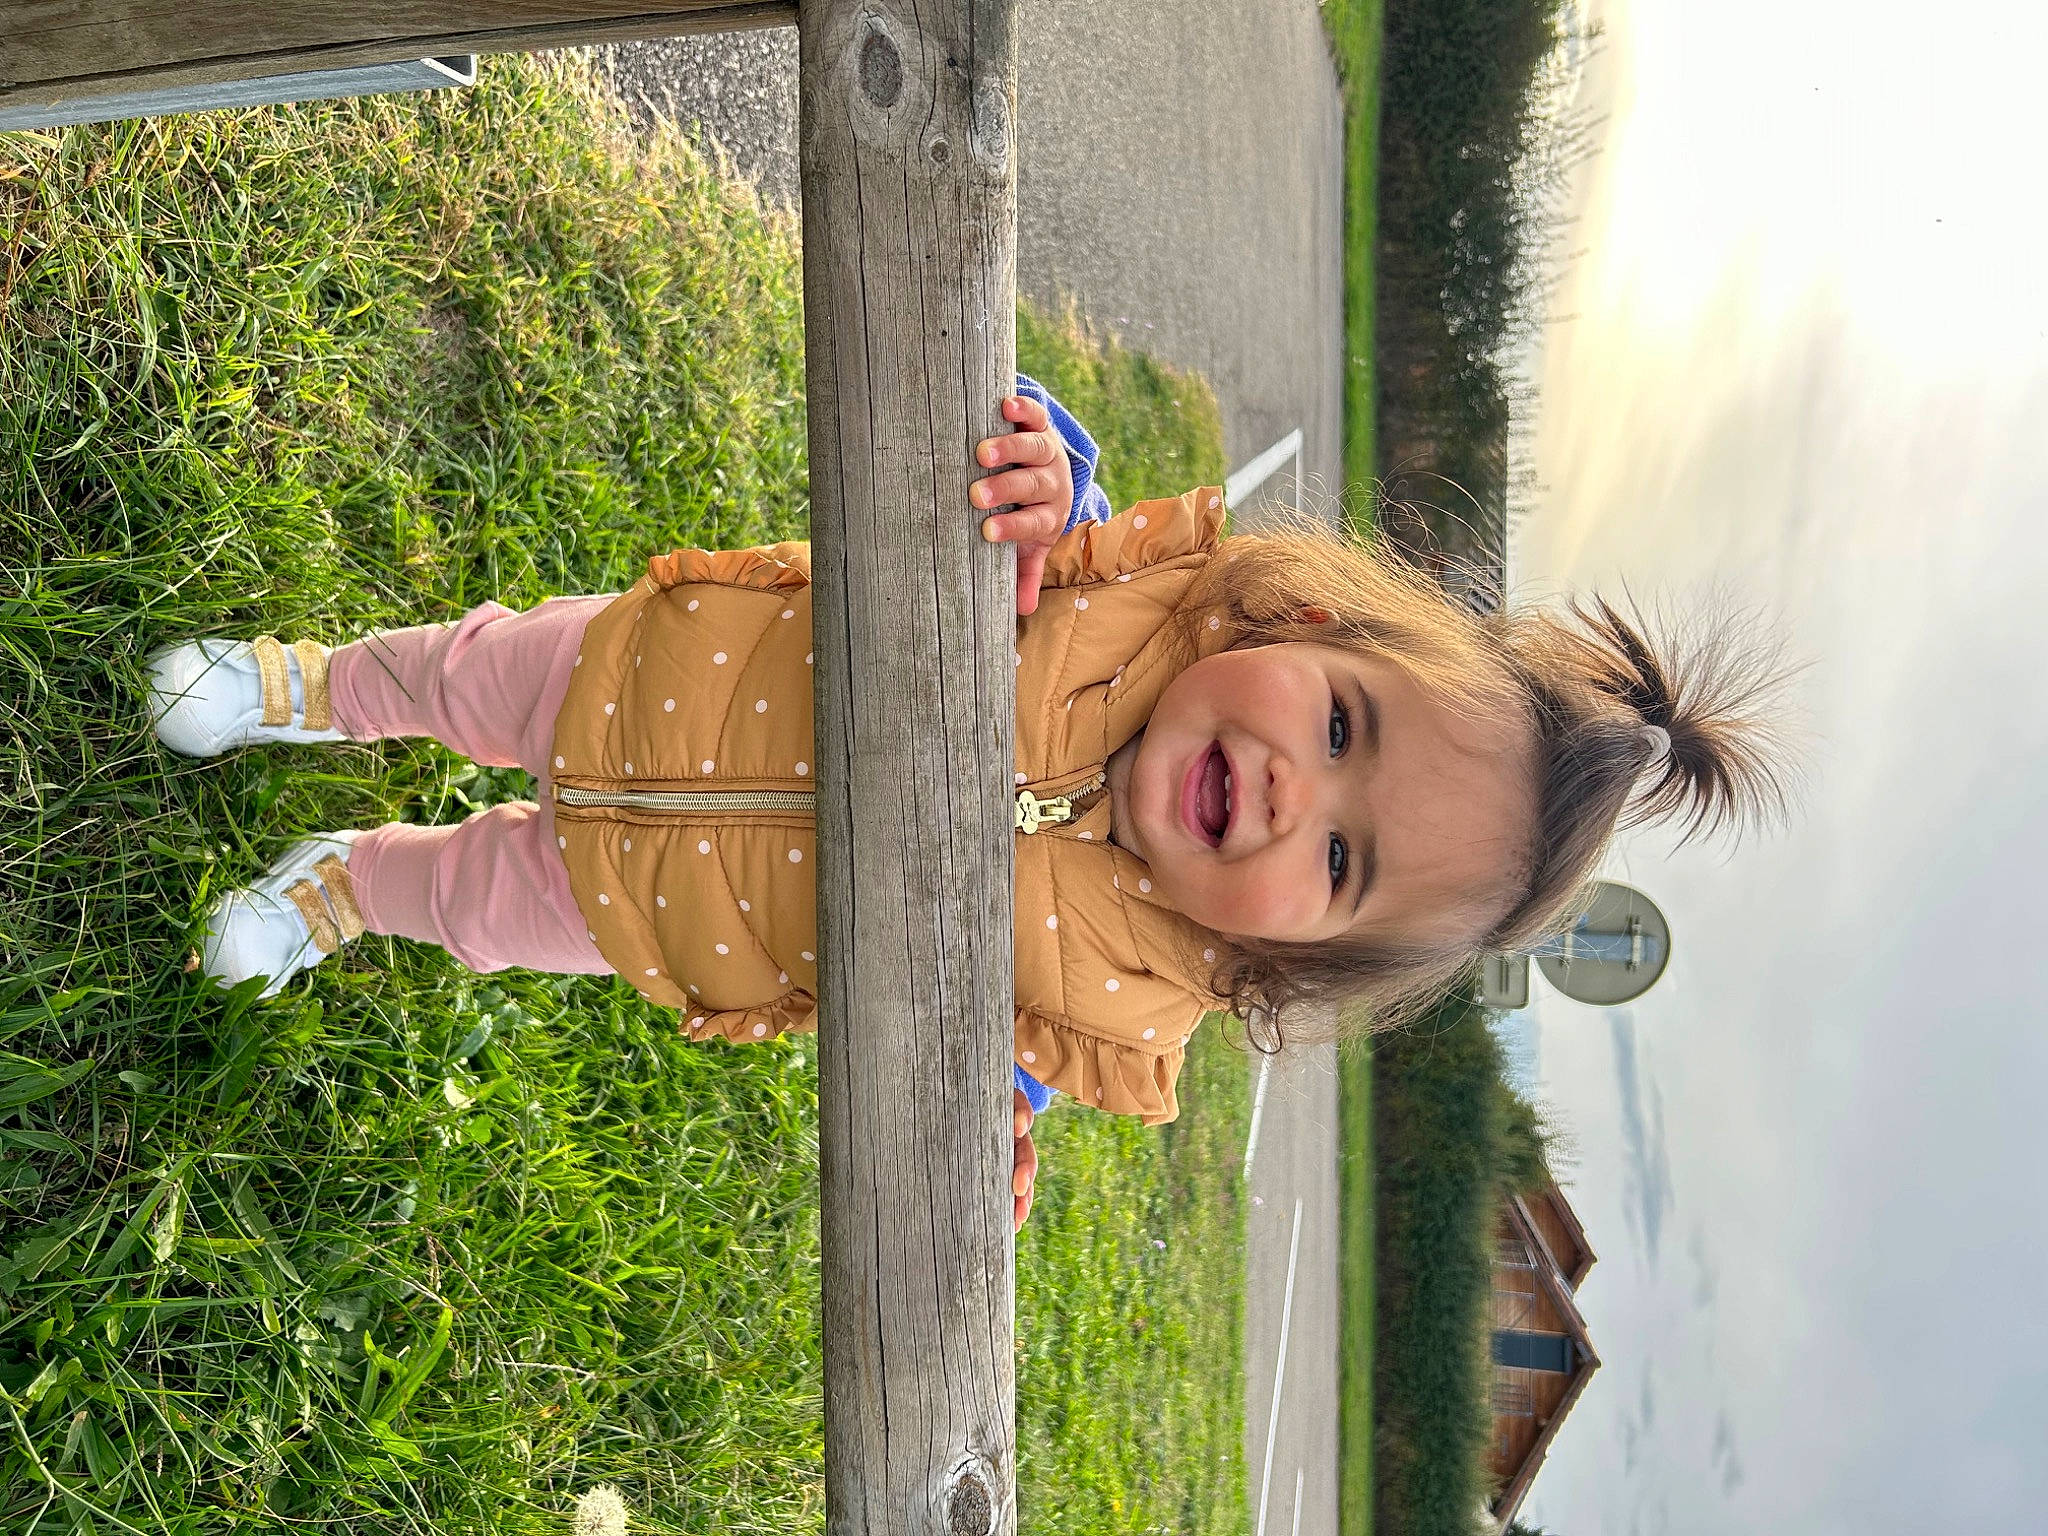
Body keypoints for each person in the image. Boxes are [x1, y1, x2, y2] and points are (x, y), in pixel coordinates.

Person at [144, 379, 1797, 1233]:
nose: (1300, 796)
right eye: (1348, 725)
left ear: (1305, 958)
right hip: (666, 673)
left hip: (679, 926)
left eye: (1347, 860)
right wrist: (1032, 476)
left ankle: (350, 889)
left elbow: (993, 1060)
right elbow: (997, 415)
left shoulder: (1137, 1009)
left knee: (491, 904)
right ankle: (301, 687)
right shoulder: (1132, 586)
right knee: (460, 678)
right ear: (1299, 628)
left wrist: (992, 1129)